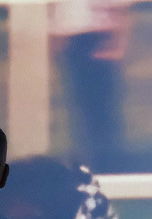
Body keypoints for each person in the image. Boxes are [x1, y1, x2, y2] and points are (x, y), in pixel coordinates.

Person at [51, 0, 130, 172]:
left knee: (99, 107)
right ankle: (93, 160)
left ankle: (105, 163)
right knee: (83, 104)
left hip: (96, 33)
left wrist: (114, 38)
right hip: (77, 35)